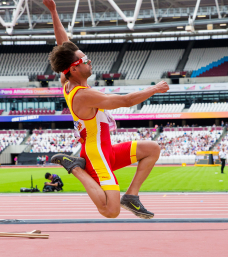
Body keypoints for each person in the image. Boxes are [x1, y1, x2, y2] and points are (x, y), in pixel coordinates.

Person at [43, 0, 168, 219]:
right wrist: (155, 88)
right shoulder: (83, 95)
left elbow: (63, 43)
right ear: (74, 68)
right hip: (96, 153)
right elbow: (127, 101)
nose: (90, 62)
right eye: (85, 60)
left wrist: (54, 11)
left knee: (152, 148)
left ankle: (131, 196)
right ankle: (75, 167)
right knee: (111, 210)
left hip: (107, 149)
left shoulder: (69, 80)